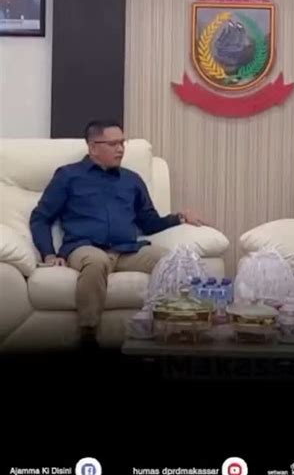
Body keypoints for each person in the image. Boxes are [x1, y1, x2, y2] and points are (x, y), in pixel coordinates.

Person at [30, 120, 205, 350]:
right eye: (113, 144)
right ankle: (88, 335)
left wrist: (179, 217)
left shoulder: (131, 180)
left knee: (173, 261)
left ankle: (179, 328)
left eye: (122, 143)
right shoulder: (68, 176)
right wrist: (49, 254)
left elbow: (149, 222)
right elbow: (40, 217)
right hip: (84, 248)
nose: (120, 149)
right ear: (93, 147)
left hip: (126, 250)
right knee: (96, 262)